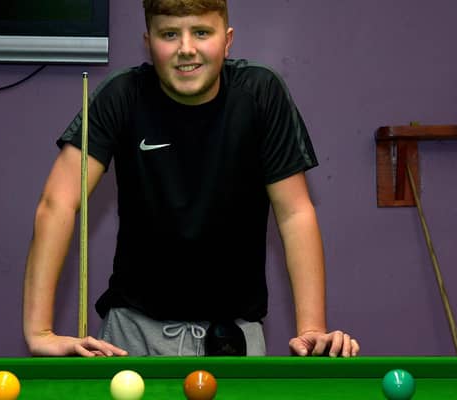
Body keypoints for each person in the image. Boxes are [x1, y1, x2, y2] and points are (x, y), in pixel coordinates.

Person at [22, 0, 360, 358]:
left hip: (235, 339)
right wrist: (38, 331)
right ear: (148, 42)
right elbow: (57, 203)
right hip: (129, 341)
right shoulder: (121, 95)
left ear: (227, 40)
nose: (186, 49)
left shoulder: (261, 93)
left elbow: (295, 213)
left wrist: (311, 329)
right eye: (169, 34)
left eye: (201, 32)